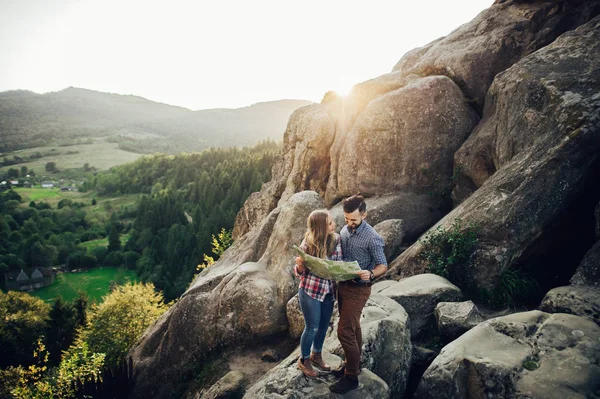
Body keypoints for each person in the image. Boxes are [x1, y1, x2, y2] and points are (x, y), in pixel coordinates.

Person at [328, 194, 388, 394]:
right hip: (343, 285)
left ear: (364, 214)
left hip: (359, 289)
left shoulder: (372, 237)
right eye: (346, 219)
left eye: (353, 219)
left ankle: (351, 377)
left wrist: (370, 272)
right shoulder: (345, 230)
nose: (349, 223)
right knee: (353, 328)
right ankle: (352, 365)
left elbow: (383, 266)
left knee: (344, 331)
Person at [294, 209, 342, 378]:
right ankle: (304, 360)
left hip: (328, 291)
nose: (334, 225)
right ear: (321, 227)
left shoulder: (336, 240)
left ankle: (317, 355)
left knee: (323, 327)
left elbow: (339, 262)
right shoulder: (307, 244)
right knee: (312, 327)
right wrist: (300, 266)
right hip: (310, 291)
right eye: (329, 223)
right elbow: (299, 272)